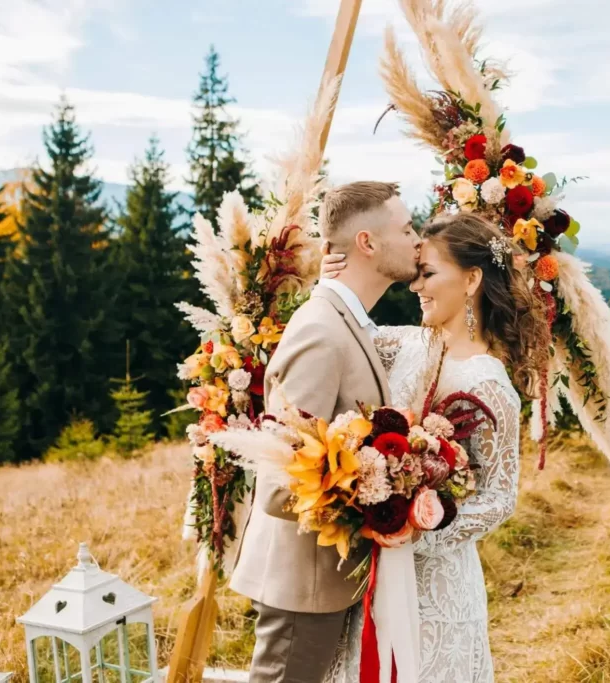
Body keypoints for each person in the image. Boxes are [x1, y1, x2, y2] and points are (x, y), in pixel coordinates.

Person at [321, 212, 551, 683]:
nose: (415, 287)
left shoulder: (489, 384)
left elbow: (498, 498)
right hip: (372, 573)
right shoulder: (406, 345)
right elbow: (343, 333)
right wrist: (328, 284)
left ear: (471, 279)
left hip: (437, 587)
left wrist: (422, 527)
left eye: (427, 274)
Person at [229, 181, 421, 683]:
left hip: (328, 583)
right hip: (302, 587)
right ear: (367, 242)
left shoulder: (348, 322)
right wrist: (376, 494)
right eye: (406, 228)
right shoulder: (321, 332)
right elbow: (278, 485)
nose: (416, 239)